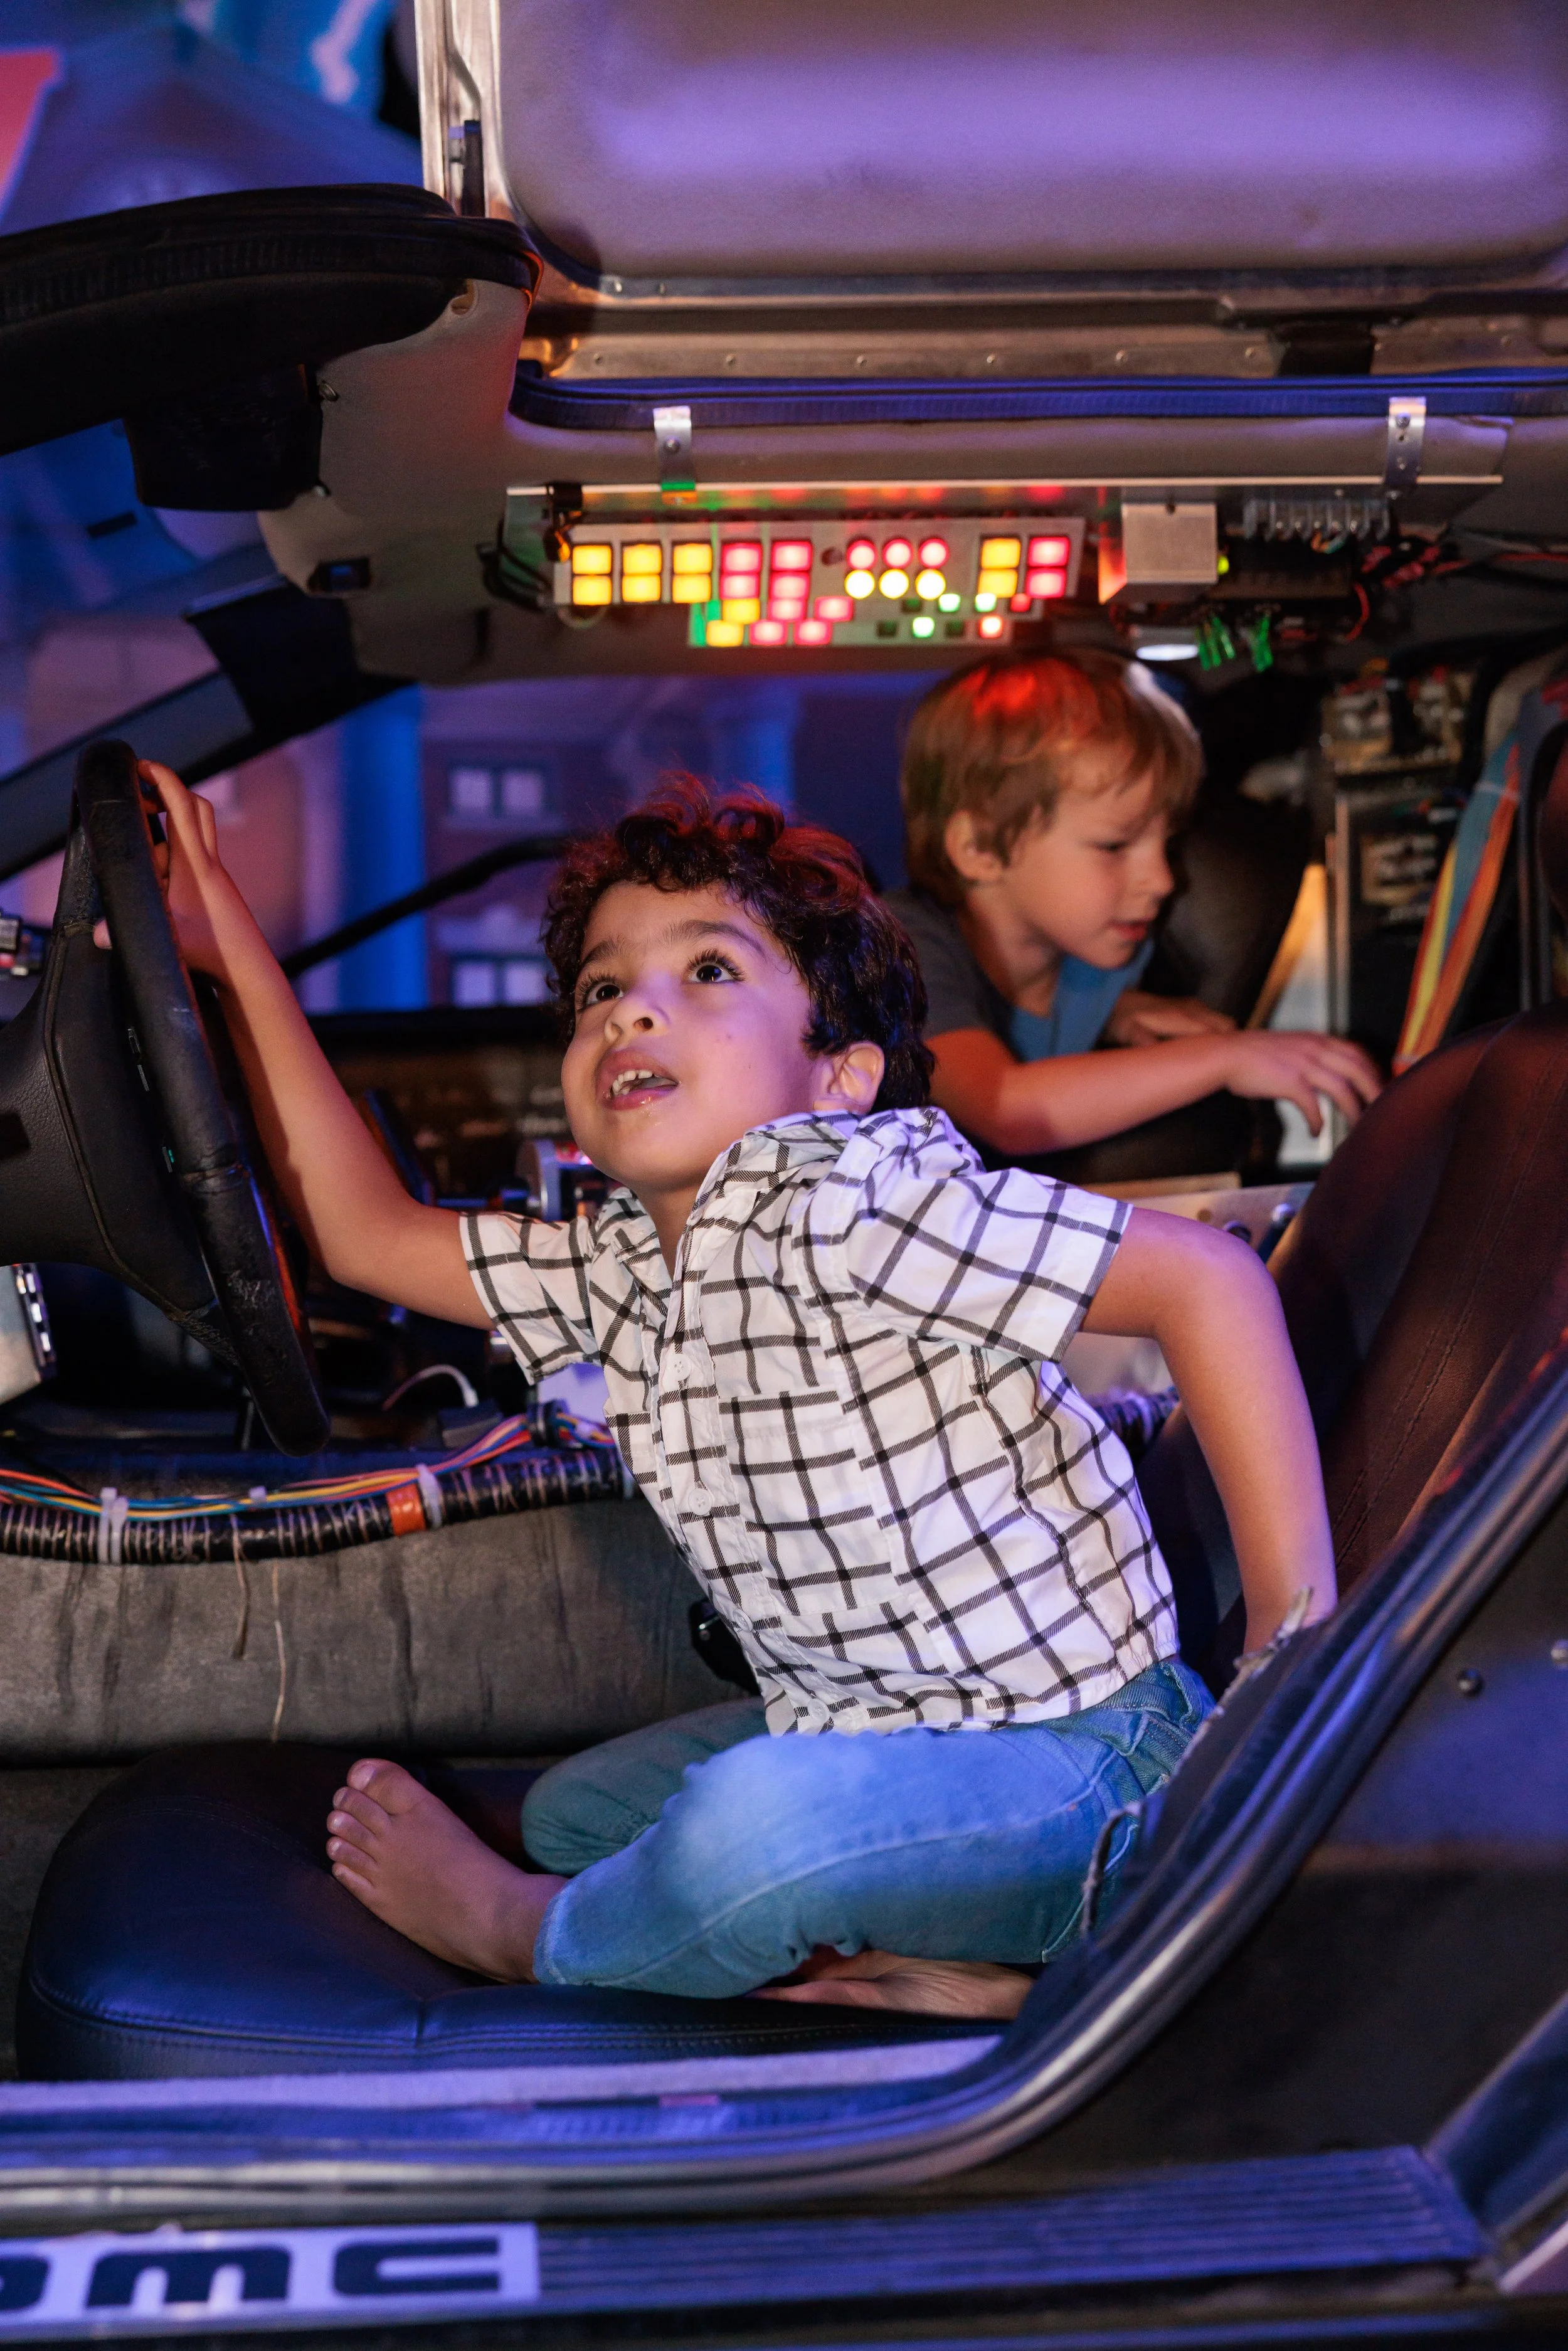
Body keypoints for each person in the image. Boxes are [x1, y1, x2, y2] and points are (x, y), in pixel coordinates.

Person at [134, 762, 1337, 2020]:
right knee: (571, 1812)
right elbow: (362, 1234)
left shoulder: (854, 1191)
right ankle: (946, 1976)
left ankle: (523, 1930)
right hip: (873, 1734)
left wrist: (1288, 1658)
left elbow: (1207, 1280)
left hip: (1083, 1766)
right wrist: (231, 960)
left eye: (706, 971)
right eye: (601, 986)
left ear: (838, 1077)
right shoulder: (624, 1262)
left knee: (739, 1830)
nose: (631, 1013)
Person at [886, 654, 1380, 1158]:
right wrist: (1224, 1058)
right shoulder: (901, 951)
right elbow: (1006, 1110)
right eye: (1115, 846)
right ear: (981, 849)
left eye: (1166, 844)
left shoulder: (1095, 955)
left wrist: (1114, 1013)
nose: (1163, 881)